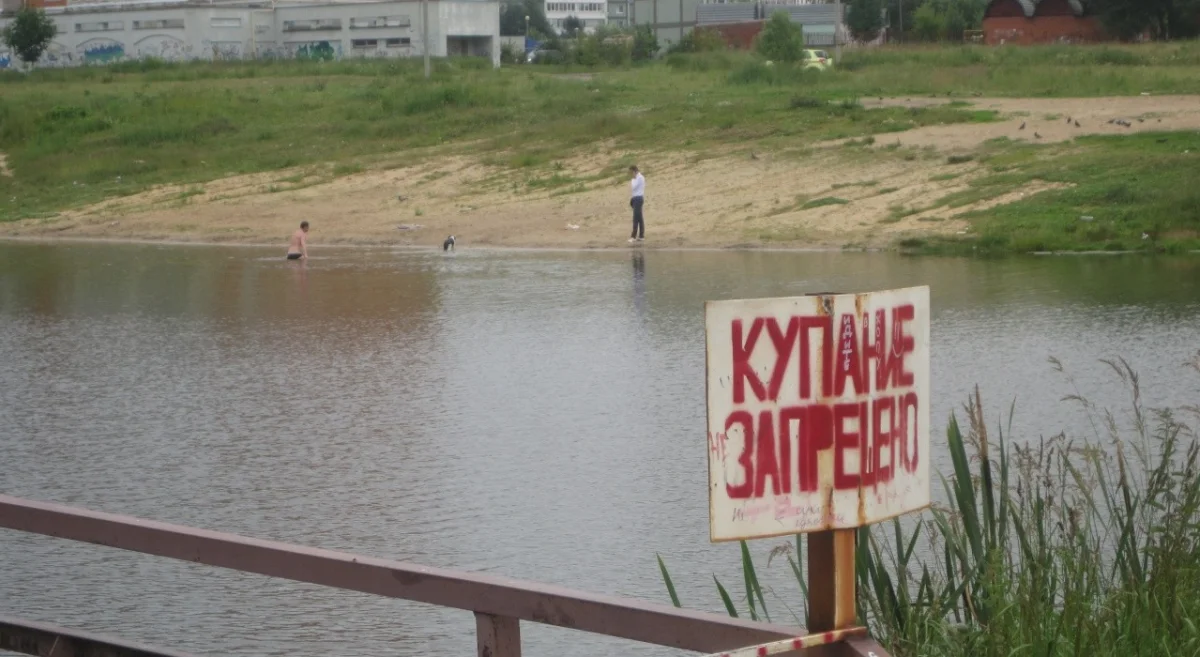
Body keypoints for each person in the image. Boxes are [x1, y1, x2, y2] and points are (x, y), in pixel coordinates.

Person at [628, 165, 645, 243]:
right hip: (636, 198)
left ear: (634, 171)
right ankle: (641, 236)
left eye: (631, 172)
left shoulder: (639, 177)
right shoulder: (638, 178)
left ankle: (633, 236)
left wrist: (633, 179)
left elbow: (633, 187)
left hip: (638, 198)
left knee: (635, 218)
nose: (631, 174)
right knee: (639, 218)